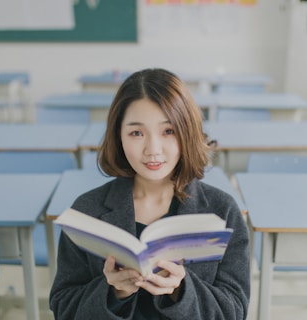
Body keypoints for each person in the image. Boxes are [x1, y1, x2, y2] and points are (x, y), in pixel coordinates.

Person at [49, 68, 250, 319]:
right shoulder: (87, 211)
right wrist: (114, 293)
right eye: (136, 133)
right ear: (119, 137)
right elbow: (63, 308)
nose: (153, 150)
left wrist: (181, 290)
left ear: (187, 133)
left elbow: (234, 311)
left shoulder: (222, 212)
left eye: (169, 131)